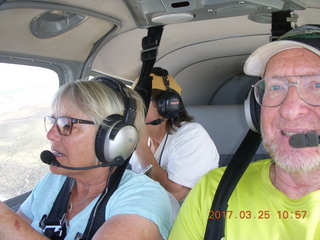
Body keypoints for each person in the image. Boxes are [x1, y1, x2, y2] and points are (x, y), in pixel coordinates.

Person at [169, 24, 320, 239]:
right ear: (256, 110)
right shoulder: (213, 191)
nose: (290, 110)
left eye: (316, 85)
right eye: (276, 87)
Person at [0, 77, 177, 240]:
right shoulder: (53, 181)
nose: (50, 135)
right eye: (53, 121)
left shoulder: (144, 198)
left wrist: (3, 218)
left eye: (66, 125)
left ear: (113, 138)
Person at [130, 67, 219, 202]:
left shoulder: (191, 135)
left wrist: (141, 148)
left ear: (166, 106)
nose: (133, 109)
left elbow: (175, 194)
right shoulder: (141, 139)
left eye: (140, 102)